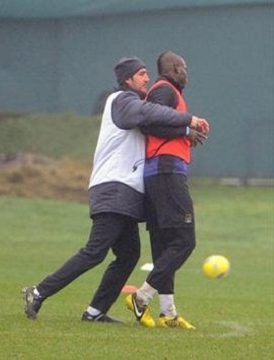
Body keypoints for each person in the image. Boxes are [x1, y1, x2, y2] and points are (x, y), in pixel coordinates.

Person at [23, 57, 209, 322]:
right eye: (142, 74)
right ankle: (38, 292)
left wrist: (183, 131)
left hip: (126, 191)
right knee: (95, 251)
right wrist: (189, 119)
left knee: (129, 254)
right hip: (114, 187)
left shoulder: (134, 104)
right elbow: (147, 114)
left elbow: (152, 123)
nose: (148, 79)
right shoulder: (122, 100)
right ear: (127, 80)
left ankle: (95, 312)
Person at [126, 51, 206, 329]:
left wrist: (185, 132)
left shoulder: (166, 91)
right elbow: (150, 123)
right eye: (184, 67)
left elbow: (159, 123)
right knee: (185, 241)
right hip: (167, 171)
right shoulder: (164, 90)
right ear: (173, 68)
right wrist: (185, 130)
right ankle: (141, 296)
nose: (187, 73)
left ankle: (168, 313)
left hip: (158, 173)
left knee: (164, 246)